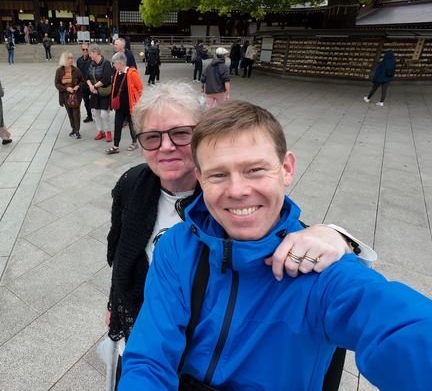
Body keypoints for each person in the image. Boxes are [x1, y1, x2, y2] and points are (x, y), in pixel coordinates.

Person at [119, 100, 432, 390]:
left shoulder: (321, 270)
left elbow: (418, 337)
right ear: (200, 178)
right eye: (218, 175)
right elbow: (149, 357)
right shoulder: (178, 247)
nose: (237, 190)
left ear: (287, 169)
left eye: (254, 170)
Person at [107, 84, 375, 388]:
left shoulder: (233, 202)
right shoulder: (132, 185)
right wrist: (114, 304)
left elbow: (283, 227)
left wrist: (338, 237)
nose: (165, 146)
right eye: (152, 137)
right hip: (151, 328)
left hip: (207, 341)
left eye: (180, 133)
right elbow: (120, 252)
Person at [106, 52, 143, 154]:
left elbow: (140, 89)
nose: (113, 65)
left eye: (114, 63)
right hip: (119, 106)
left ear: (120, 62)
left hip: (130, 106)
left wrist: (137, 102)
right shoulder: (117, 73)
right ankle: (116, 146)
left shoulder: (132, 73)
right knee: (117, 125)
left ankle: (135, 142)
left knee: (132, 125)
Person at [86, 44, 115, 142]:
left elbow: (106, 79)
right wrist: (90, 86)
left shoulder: (106, 63)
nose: (89, 55)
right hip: (94, 92)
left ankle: (108, 132)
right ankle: (101, 131)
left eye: (90, 53)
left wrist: (94, 86)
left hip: (104, 92)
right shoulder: (91, 63)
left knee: (104, 114)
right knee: (95, 113)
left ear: (95, 53)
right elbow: (87, 77)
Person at [54, 51, 85, 139]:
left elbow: (82, 81)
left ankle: (77, 130)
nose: (71, 60)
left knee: (76, 113)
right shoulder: (59, 71)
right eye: (69, 58)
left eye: (71, 58)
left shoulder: (76, 70)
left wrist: (77, 86)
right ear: (64, 60)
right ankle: (73, 129)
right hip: (65, 96)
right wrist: (66, 88)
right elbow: (57, 84)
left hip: (75, 96)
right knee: (70, 114)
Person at [76, 43, 94, 123]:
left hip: (92, 84)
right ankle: (89, 115)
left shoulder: (92, 59)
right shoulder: (79, 61)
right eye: (83, 49)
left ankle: (96, 115)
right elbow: (78, 73)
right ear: (81, 50)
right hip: (83, 85)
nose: (85, 51)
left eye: (87, 49)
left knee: (94, 101)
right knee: (86, 102)